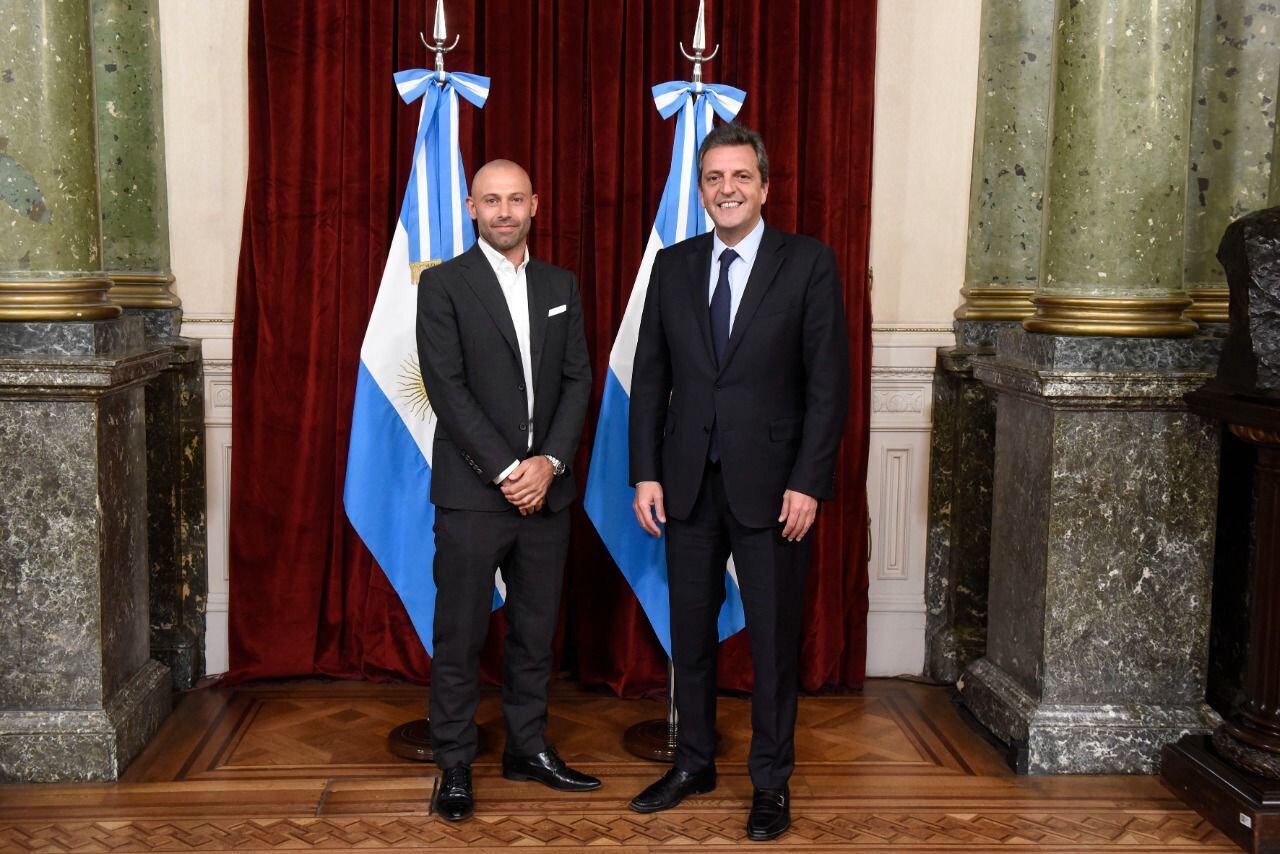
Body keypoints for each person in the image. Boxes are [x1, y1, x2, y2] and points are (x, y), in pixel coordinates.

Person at [627, 124, 850, 841]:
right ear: (701, 190)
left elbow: (828, 387)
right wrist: (646, 474)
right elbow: (650, 380)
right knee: (689, 636)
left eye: (740, 177)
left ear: (764, 186)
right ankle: (694, 762)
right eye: (714, 179)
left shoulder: (809, 263)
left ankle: (771, 783)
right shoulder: (673, 265)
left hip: (775, 488)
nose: (727, 189)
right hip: (686, 485)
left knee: (773, 644)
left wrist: (809, 483)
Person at [416, 159, 598, 822]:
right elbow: (448, 389)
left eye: (514, 199)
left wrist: (547, 463)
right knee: (460, 635)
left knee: (534, 631)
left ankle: (528, 748)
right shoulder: (442, 286)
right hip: (472, 494)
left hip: (547, 495)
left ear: (534, 206)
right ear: (470, 207)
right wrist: (508, 471)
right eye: (490, 200)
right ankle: (455, 763)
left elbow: (579, 381)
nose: (503, 211)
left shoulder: (560, 284)